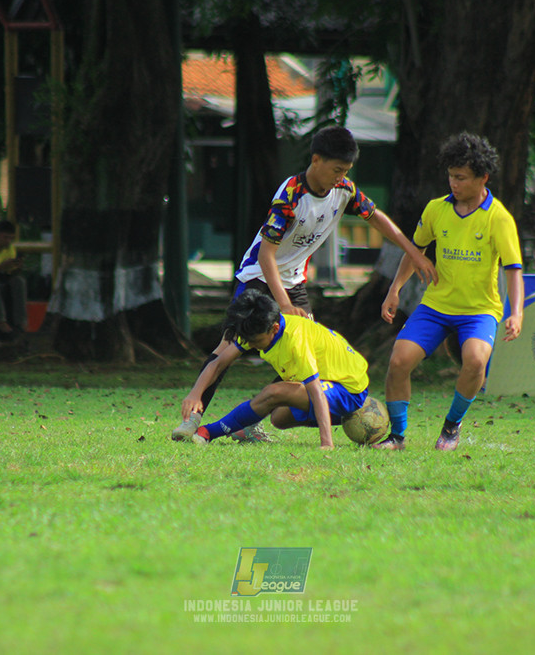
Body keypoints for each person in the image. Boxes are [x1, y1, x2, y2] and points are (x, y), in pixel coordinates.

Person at [171, 125, 436, 441]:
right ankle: (194, 417)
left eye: (346, 171)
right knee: (230, 347)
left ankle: (249, 424)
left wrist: (414, 253)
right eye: (337, 169)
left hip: (294, 280)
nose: (341, 176)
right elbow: (267, 255)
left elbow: (376, 217)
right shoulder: (291, 195)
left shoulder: (345, 190)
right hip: (259, 276)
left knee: (296, 349)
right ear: (316, 160)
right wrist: (283, 305)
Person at [374, 132, 524, 451]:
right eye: (450, 176)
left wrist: (517, 312)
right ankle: (397, 437)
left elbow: (514, 269)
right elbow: (415, 250)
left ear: (482, 177)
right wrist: (395, 290)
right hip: (436, 307)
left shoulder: (498, 218)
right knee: (399, 361)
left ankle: (451, 428)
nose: (453, 184)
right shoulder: (436, 210)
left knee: (475, 360)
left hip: (479, 311)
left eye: (461, 178)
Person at [177, 290, 369, 449]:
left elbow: (315, 390)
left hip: (348, 389)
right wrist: (195, 394)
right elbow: (218, 363)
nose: (251, 345)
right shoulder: (255, 328)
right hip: (329, 384)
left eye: (256, 341)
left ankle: (208, 432)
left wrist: (326, 443)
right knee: (279, 418)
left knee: (273, 393)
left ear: (275, 329)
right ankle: (347, 417)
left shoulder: (296, 340)